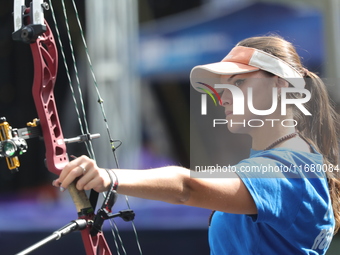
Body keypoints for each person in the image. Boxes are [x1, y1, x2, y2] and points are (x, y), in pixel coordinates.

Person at [53, 35, 340, 254]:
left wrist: (109, 177)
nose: (222, 97)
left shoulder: (288, 169)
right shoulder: (294, 161)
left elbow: (186, 187)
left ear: (281, 85)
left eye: (238, 83)